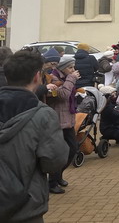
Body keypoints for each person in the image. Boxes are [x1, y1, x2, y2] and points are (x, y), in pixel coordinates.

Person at [0, 49, 68, 222]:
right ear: (37, 76)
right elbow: (54, 162)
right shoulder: (43, 115)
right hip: (25, 204)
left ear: (6, 76)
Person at [46, 54, 80, 194]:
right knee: (59, 152)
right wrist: (71, 79)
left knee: (72, 148)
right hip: (57, 121)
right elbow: (63, 95)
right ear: (62, 68)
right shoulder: (53, 78)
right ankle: (52, 182)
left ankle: (58, 175)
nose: (73, 70)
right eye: (70, 67)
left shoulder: (66, 78)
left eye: (73, 67)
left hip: (68, 120)